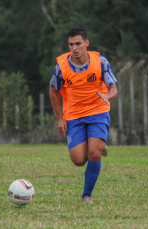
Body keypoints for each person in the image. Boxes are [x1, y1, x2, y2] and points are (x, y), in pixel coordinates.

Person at [49, 27, 118, 204]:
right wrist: (60, 118)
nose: (74, 48)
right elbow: (53, 90)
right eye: (71, 44)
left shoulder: (100, 62)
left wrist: (106, 96)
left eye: (78, 43)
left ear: (86, 43)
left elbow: (114, 90)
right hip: (74, 115)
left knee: (94, 155)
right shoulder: (62, 66)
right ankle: (97, 143)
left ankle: (86, 196)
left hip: (98, 111)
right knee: (79, 160)